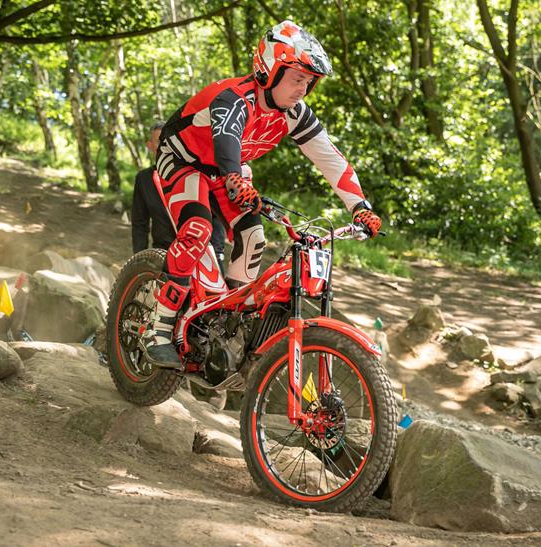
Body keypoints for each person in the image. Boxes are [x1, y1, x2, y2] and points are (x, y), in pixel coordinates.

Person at [146, 20, 383, 368]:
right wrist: (233, 177)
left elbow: (331, 159)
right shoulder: (234, 98)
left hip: (229, 172)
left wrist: (360, 206)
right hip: (184, 159)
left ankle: (225, 325)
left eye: (308, 82)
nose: (303, 88)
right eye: (296, 78)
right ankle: (160, 328)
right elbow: (227, 139)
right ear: (270, 70)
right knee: (197, 229)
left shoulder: (294, 114)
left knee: (255, 236)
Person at [131, 122, 227, 269]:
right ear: (150, 146)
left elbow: (216, 215)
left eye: (169, 141)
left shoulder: (197, 173)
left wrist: (217, 252)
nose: (165, 147)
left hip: (200, 251)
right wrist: (139, 260)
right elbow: (139, 223)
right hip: (163, 252)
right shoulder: (144, 179)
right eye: (160, 142)